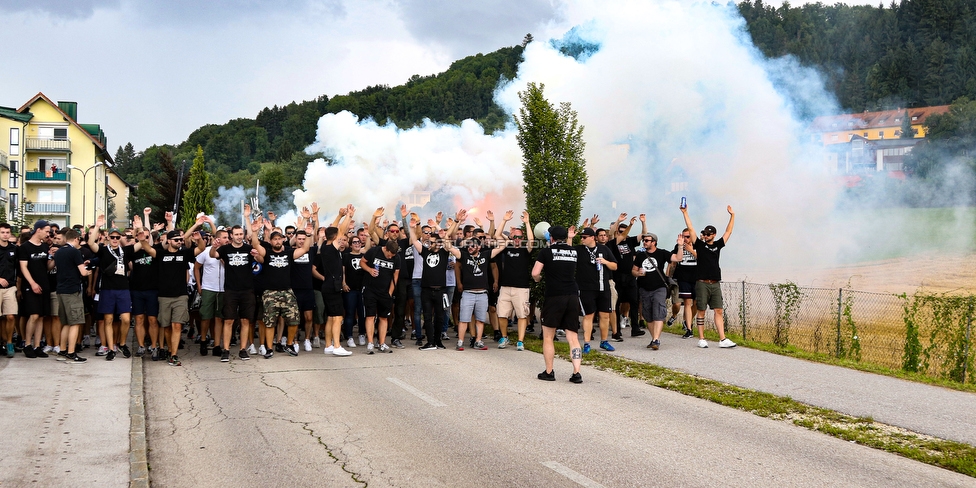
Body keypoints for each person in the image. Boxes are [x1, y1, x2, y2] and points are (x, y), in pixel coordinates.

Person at [143, 217, 209, 366]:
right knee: (165, 326)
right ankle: (169, 349)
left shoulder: (184, 254)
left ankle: (173, 354)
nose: (180, 241)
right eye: (177, 240)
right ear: (169, 241)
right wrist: (142, 240)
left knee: (177, 325)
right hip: (164, 296)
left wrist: (198, 239)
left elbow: (201, 249)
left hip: (181, 296)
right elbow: (148, 249)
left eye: (181, 239)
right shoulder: (161, 254)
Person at [210, 208, 265, 362]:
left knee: (246, 320)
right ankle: (226, 350)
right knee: (228, 320)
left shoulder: (248, 249)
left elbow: (261, 262)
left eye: (241, 234)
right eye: (236, 234)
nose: (239, 237)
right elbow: (213, 255)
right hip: (230, 290)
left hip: (247, 290)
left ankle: (242, 349)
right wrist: (214, 246)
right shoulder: (225, 249)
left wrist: (257, 255)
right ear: (231, 236)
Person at [531, 225, 584, 384]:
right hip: (572, 295)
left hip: (554, 295)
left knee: (548, 336)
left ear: (551, 238)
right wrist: (570, 237)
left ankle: (549, 371)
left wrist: (538, 280)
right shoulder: (573, 251)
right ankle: (576, 373)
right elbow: (566, 249)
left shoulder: (546, 252)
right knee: (573, 337)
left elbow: (535, 273)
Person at [681, 204, 737, 348]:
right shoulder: (699, 244)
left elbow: (728, 232)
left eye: (708, 234)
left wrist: (732, 216)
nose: (705, 236)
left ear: (713, 235)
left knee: (718, 310)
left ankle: (723, 339)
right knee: (701, 310)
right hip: (702, 282)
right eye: (705, 234)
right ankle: (701, 338)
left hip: (715, 282)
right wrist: (685, 212)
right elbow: (691, 228)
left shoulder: (718, 245)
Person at [87, 216, 143, 360]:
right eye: (112, 237)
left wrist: (140, 228)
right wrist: (98, 226)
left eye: (117, 237)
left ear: (120, 238)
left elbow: (142, 243)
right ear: (108, 237)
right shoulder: (103, 250)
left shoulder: (126, 250)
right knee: (108, 319)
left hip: (123, 289)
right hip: (107, 289)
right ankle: (111, 348)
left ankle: (122, 343)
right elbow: (90, 243)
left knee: (125, 319)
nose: (115, 239)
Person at [256, 223, 315, 358]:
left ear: (283, 239)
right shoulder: (267, 253)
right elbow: (255, 244)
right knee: (270, 322)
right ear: (270, 241)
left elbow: (305, 248)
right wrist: (254, 231)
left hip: (287, 292)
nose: (277, 241)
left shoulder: (289, 252)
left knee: (294, 320)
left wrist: (309, 234)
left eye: (279, 238)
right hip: (270, 292)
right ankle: (269, 348)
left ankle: (289, 345)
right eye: (274, 239)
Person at [632, 233, 681, 350]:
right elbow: (633, 270)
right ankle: (654, 338)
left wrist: (680, 246)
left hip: (659, 287)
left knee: (658, 312)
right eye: (644, 240)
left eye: (647, 240)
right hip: (644, 288)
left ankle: (656, 339)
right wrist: (637, 273)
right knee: (647, 315)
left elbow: (678, 258)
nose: (645, 242)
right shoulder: (640, 255)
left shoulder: (661, 253)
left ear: (654, 242)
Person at [493, 211, 534, 351]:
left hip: (521, 288)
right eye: (514, 236)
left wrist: (527, 223)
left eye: (519, 237)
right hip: (505, 287)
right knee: (502, 314)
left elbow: (531, 240)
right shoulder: (507, 246)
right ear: (511, 237)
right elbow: (497, 235)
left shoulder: (525, 249)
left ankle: (520, 341)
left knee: (522, 315)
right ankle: (504, 337)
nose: (517, 239)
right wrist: (504, 220)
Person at [318, 205, 354, 356]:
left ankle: (328, 346)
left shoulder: (327, 247)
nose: (342, 239)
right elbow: (339, 231)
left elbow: (335, 230)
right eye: (339, 237)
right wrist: (346, 216)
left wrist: (341, 216)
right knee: (338, 317)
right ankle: (337, 346)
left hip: (329, 286)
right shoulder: (330, 247)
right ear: (334, 238)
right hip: (332, 287)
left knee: (332, 317)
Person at [576, 226, 618, 353]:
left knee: (605, 315)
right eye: (581, 237)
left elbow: (615, 266)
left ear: (592, 238)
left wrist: (605, 261)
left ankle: (604, 341)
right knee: (588, 315)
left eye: (584, 237)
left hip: (603, 286)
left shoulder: (604, 249)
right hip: (586, 288)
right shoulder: (579, 249)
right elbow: (568, 251)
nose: (582, 239)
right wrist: (570, 238)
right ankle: (587, 343)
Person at [53, 229, 92, 363]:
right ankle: (71, 352)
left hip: (61, 289)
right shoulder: (75, 251)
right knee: (75, 322)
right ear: (76, 239)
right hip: (72, 290)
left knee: (65, 323)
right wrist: (88, 272)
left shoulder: (59, 252)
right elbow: (82, 273)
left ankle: (62, 350)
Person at [18, 220, 54, 358]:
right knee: (33, 315)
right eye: (46, 231)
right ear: (38, 230)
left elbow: (47, 267)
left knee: (41, 317)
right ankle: (27, 344)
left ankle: (37, 345)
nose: (48, 234)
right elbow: (23, 267)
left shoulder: (45, 247)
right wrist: (32, 283)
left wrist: (53, 258)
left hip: (44, 284)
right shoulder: (25, 247)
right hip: (30, 285)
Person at [360, 238, 400, 354]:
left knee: (383, 317)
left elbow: (395, 276)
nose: (390, 257)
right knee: (370, 316)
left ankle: (382, 343)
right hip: (370, 289)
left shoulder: (396, 258)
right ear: (385, 249)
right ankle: (370, 343)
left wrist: (390, 292)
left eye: (392, 256)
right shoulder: (374, 251)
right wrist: (369, 270)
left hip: (385, 292)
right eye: (389, 255)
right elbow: (362, 262)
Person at [195, 228, 227, 358]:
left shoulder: (228, 251)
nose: (227, 240)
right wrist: (199, 285)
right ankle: (203, 339)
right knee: (206, 316)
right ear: (217, 238)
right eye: (224, 237)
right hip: (208, 288)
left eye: (227, 238)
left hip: (223, 289)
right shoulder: (206, 251)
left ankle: (217, 345)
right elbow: (197, 268)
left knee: (219, 317)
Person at [669, 228, 698, 338]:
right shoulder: (679, 246)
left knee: (697, 303)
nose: (685, 239)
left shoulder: (698, 245)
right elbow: (673, 260)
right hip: (683, 278)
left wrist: (691, 250)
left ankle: (687, 320)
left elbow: (704, 259)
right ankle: (689, 328)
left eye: (688, 236)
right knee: (687, 302)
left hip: (696, 278)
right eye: (684, 236)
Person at [0, 223, 18, 358]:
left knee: (10, 316)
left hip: (10, 287)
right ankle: (3, 342)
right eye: (2, 232)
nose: (5, 234)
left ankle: (9, 342)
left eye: (7, 232)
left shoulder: (14, 249)